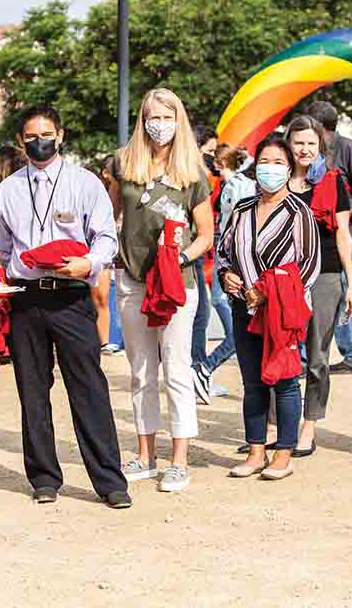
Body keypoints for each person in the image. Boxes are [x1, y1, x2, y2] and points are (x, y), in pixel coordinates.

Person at [0, 105, 131, 509]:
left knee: (88, 388)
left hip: (71, 296)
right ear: (21, 141)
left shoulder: (84, 183)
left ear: (61, 135)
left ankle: (109, 481)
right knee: (32, 391)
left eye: (47, 134)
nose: (40, 141)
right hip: (25, 297)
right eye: (31, 135)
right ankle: (44, 478)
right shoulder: (8, 190)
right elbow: (3, 247)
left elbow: (106, 237)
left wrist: (88, 263)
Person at [108, 88, 214, 493]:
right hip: (133, 280)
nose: (159, 124)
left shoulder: (192, 171)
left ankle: (179, 459)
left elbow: (206, 234)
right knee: (141, 371)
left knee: (176, 369)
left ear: (178, 120)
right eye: (153, 116)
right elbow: (110, 214)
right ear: (142, 119)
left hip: (175, 285)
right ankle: (145, 453)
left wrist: (181, 259)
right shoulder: (124, 162)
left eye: (167, 116)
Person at [217, 133, 320, 480]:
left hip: (280, 312)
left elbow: (308, 264)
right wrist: (227, 275)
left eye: (278, 163)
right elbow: (225, 251)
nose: (270, 169)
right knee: (252, 382)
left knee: (286, 381)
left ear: (290, 168)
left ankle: (284, 453)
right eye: (264, 162)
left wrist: (269, 292)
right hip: (243, 308)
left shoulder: (298, 212)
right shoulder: (242, 209)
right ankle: (256, 449)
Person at [284, 115, 352, 456]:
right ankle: (274, 425)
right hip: (283, 277)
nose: (304, 149)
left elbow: (343, 234)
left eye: (311, 143)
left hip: (325, 276)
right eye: (298, 142)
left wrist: (351, 284)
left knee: (317, 358)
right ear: (289, 144)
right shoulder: (276, 180)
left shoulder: (332, 181)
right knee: (279, 353)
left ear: (320, 146)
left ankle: (308, 426)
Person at [305, 101, 352, 374]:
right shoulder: (314, 152)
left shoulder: (347, 148)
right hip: (322, 236)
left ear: (324, 129)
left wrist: (348, 208)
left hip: (347, 232)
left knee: (344, 291)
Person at [191, 146, 254, 396]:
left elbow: (234, 225)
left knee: (238, 328)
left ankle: (205, 368)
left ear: (219, 164)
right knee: (235, 327)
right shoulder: (239, 184)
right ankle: (204, 369)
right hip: (228, 259)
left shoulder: (235, 186)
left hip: (230, 260)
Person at [189, 124, 218, 402]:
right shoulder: (193, 177)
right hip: (192, 256)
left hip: (199, 256)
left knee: (202, 315)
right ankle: (197, 370)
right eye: (209, 151)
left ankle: (198, 370)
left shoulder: (204, 177)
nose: (213, 157)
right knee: (199, 316)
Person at [90, 156, 123, 355]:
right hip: (91, 250)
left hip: (108, 253)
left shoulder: (122, 191)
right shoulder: (96, 191)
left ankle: (104, 342)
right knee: (94, 298)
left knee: (102, 298)